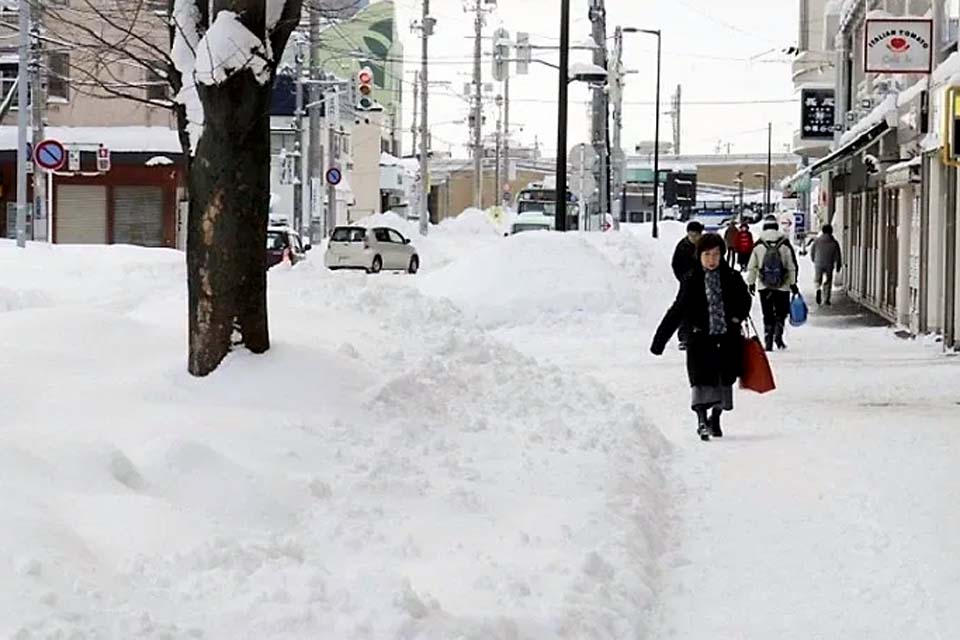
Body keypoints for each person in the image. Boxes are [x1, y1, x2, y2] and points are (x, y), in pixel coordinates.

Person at [651, 233, 752, 441]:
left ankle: (716, 417)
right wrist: (659, 341)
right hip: (700, 340)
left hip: (727, 340)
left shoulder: (732, 277)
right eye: (707, 255)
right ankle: (702, 421)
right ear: (699, 256)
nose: (711, 259)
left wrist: (736, 317)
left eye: (716, 254)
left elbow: (745, 300)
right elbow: (677, 310)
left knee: (724, 381)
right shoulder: (691, 279)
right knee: (701, 382)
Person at [747, 218, 799, 351]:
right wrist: (793, 283)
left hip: (764, 286)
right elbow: (791, 266)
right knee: (781, 312)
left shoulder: (759, 245)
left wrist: (751, 283)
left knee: (767, 313)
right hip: (783, 285)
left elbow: (752, 266)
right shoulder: (785, 245)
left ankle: (768, 339)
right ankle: (778, 335)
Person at [671, 221, 704, 350]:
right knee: (685, 309)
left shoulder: (705, 245)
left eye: (696, 235)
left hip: (704, 283)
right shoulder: (682, 246)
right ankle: (684, 337)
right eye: (691, 235)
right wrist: (683, 278)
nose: (694, 237)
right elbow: (676, 264)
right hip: (687, 284)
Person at [810, 224, 842, 306]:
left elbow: (812, 251)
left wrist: (814, 259)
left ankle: (818, 289)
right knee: (828, 280)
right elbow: (837, 255)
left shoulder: (817, 241)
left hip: (818, 262)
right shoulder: (834, 242)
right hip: (829, 264)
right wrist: (838, 265)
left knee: (818, 279)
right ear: (831, 231)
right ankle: (826, 299)